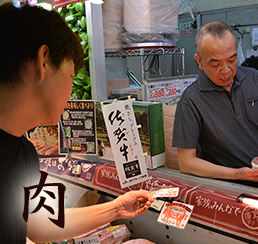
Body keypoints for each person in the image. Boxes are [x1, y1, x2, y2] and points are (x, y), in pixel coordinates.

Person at [0, 3, 153, 244]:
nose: (72, 90)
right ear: (43, 62)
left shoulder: (24, 153)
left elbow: (37, 224)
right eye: (71, 75)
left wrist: (115, 209)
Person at [172, 21, 258, 191]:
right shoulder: (191, 100)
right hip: (227, 189)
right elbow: (186, 162)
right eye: (215, 64)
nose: (226, 70)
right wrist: (237, 174)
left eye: (232, 60)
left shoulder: (254, 78)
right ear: (199, 61)